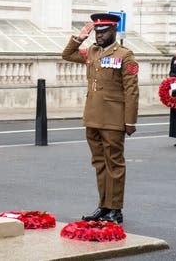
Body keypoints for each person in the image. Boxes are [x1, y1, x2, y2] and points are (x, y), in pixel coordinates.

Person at [61, 13, 139, 224]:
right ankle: (104, 206)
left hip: (114, 119)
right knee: (99, 163)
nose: (99, 35)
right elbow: (67, 55)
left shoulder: (125, 55)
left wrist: (130, 121)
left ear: (113, 31)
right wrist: (80, 36)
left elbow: (131, 90)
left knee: (114, 164)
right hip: (93, 116)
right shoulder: (93, 52)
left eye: (103, 31)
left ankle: (116, 209)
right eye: (97, 31)